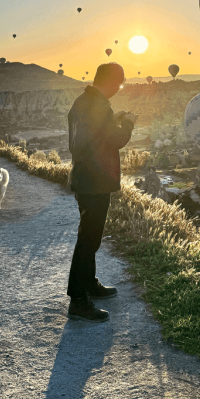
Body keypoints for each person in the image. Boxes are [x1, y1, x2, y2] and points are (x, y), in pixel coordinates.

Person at [66, 62, 137, 321]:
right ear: (110, 81)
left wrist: (113, 121)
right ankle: (78, 300)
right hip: (95, 181)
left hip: (85, 178)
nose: (120, 88)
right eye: (120, 84)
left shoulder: (83, 102)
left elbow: (92, 137)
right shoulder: (97, 106)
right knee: (88, 239)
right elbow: (115, 140)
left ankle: (89, 285)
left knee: (91, 236)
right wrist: (127, 124)